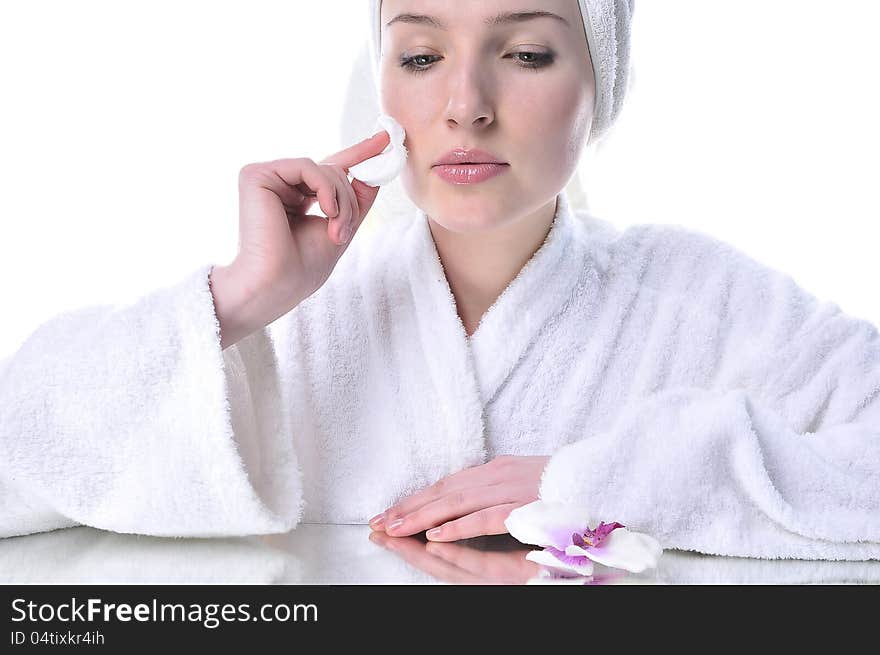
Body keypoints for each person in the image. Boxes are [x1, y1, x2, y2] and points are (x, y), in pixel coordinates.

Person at [1, 0, 878, 562]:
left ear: (599, 86)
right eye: (420, 57)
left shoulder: (703, 301)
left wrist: (613, 478)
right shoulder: (294, 321)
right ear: (380, 81)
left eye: (528, 53)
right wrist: (235, 300)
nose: (465, 104)